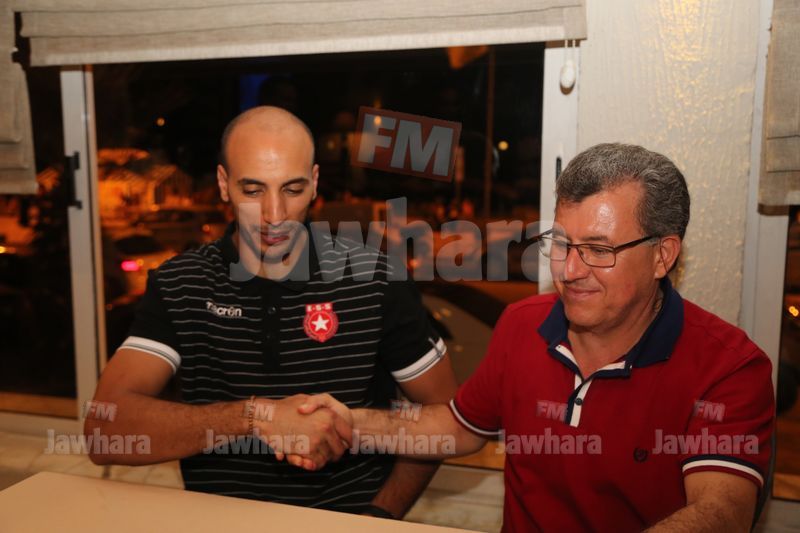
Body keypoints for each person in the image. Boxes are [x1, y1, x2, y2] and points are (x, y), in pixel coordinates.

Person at [296, 143, 776, 531]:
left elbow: (723, 513)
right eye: (561, 243)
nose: (570, 270)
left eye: (598, 250)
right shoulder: (521, 324)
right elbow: (459, 427)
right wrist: (347, 422)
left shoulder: (729, 366)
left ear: (662, 255)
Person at [85, 106, 458, 519]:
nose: (274, 215)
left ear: (315, 183)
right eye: (253, 190)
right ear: (224, 184)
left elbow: (449, 420)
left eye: (292, 189)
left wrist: (380, 516)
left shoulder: (375, 280)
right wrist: (256, 417)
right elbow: (104, 431)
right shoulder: (181, 283)